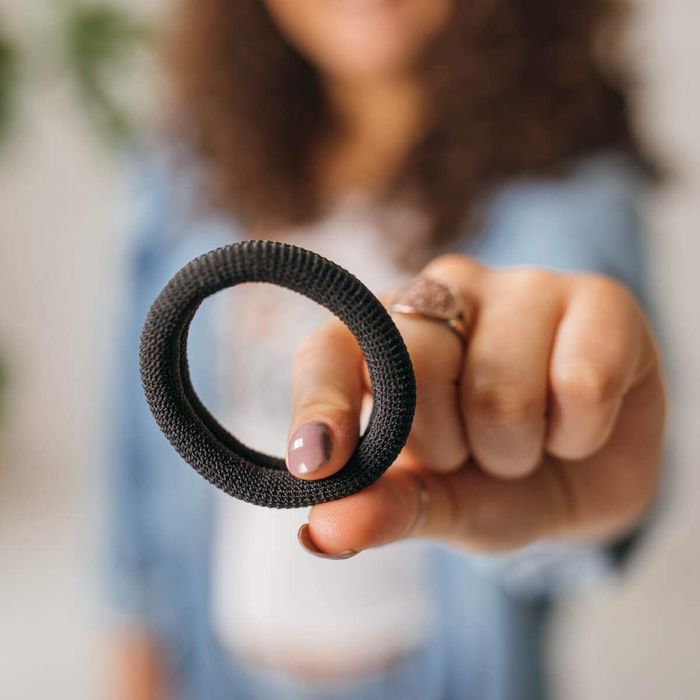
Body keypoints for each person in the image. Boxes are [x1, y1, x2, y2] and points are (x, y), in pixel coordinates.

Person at [104, 1, 666, 698]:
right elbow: (134, 445)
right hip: (215, 670)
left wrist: (568, 453)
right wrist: (133, 662)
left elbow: (577, 487)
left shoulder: (563, 189)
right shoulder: (190, 157)